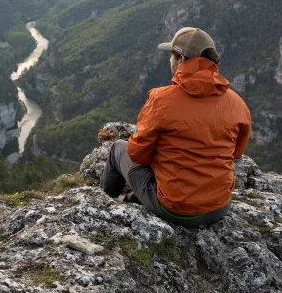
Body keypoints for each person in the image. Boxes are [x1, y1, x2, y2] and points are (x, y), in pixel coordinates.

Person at [100, 27, 251, 227]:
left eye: (171, 55)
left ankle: (101, 206)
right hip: (219, 207)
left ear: (181, 60)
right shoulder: (237, 103)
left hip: (175, 209)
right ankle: (135, 200)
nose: (169, 60)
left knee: (117, 149)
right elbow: (236, 153)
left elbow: (138, 155)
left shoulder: (162, 99)